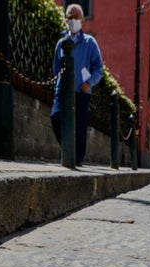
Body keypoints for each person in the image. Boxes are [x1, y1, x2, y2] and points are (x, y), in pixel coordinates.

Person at [50, 4, 103, 166]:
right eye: (69, 17)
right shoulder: (61, 43)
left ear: (82, 20)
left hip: (81, 91)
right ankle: (69, 150)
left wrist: (89, 83)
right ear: (66, 19)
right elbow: (56, 68)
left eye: (76, 17)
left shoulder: (90, 42)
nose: (72, 20)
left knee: (79, 127)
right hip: (63, 91)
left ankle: (77, 159)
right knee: (55, 117)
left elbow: (98, 68)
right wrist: (57, 86)